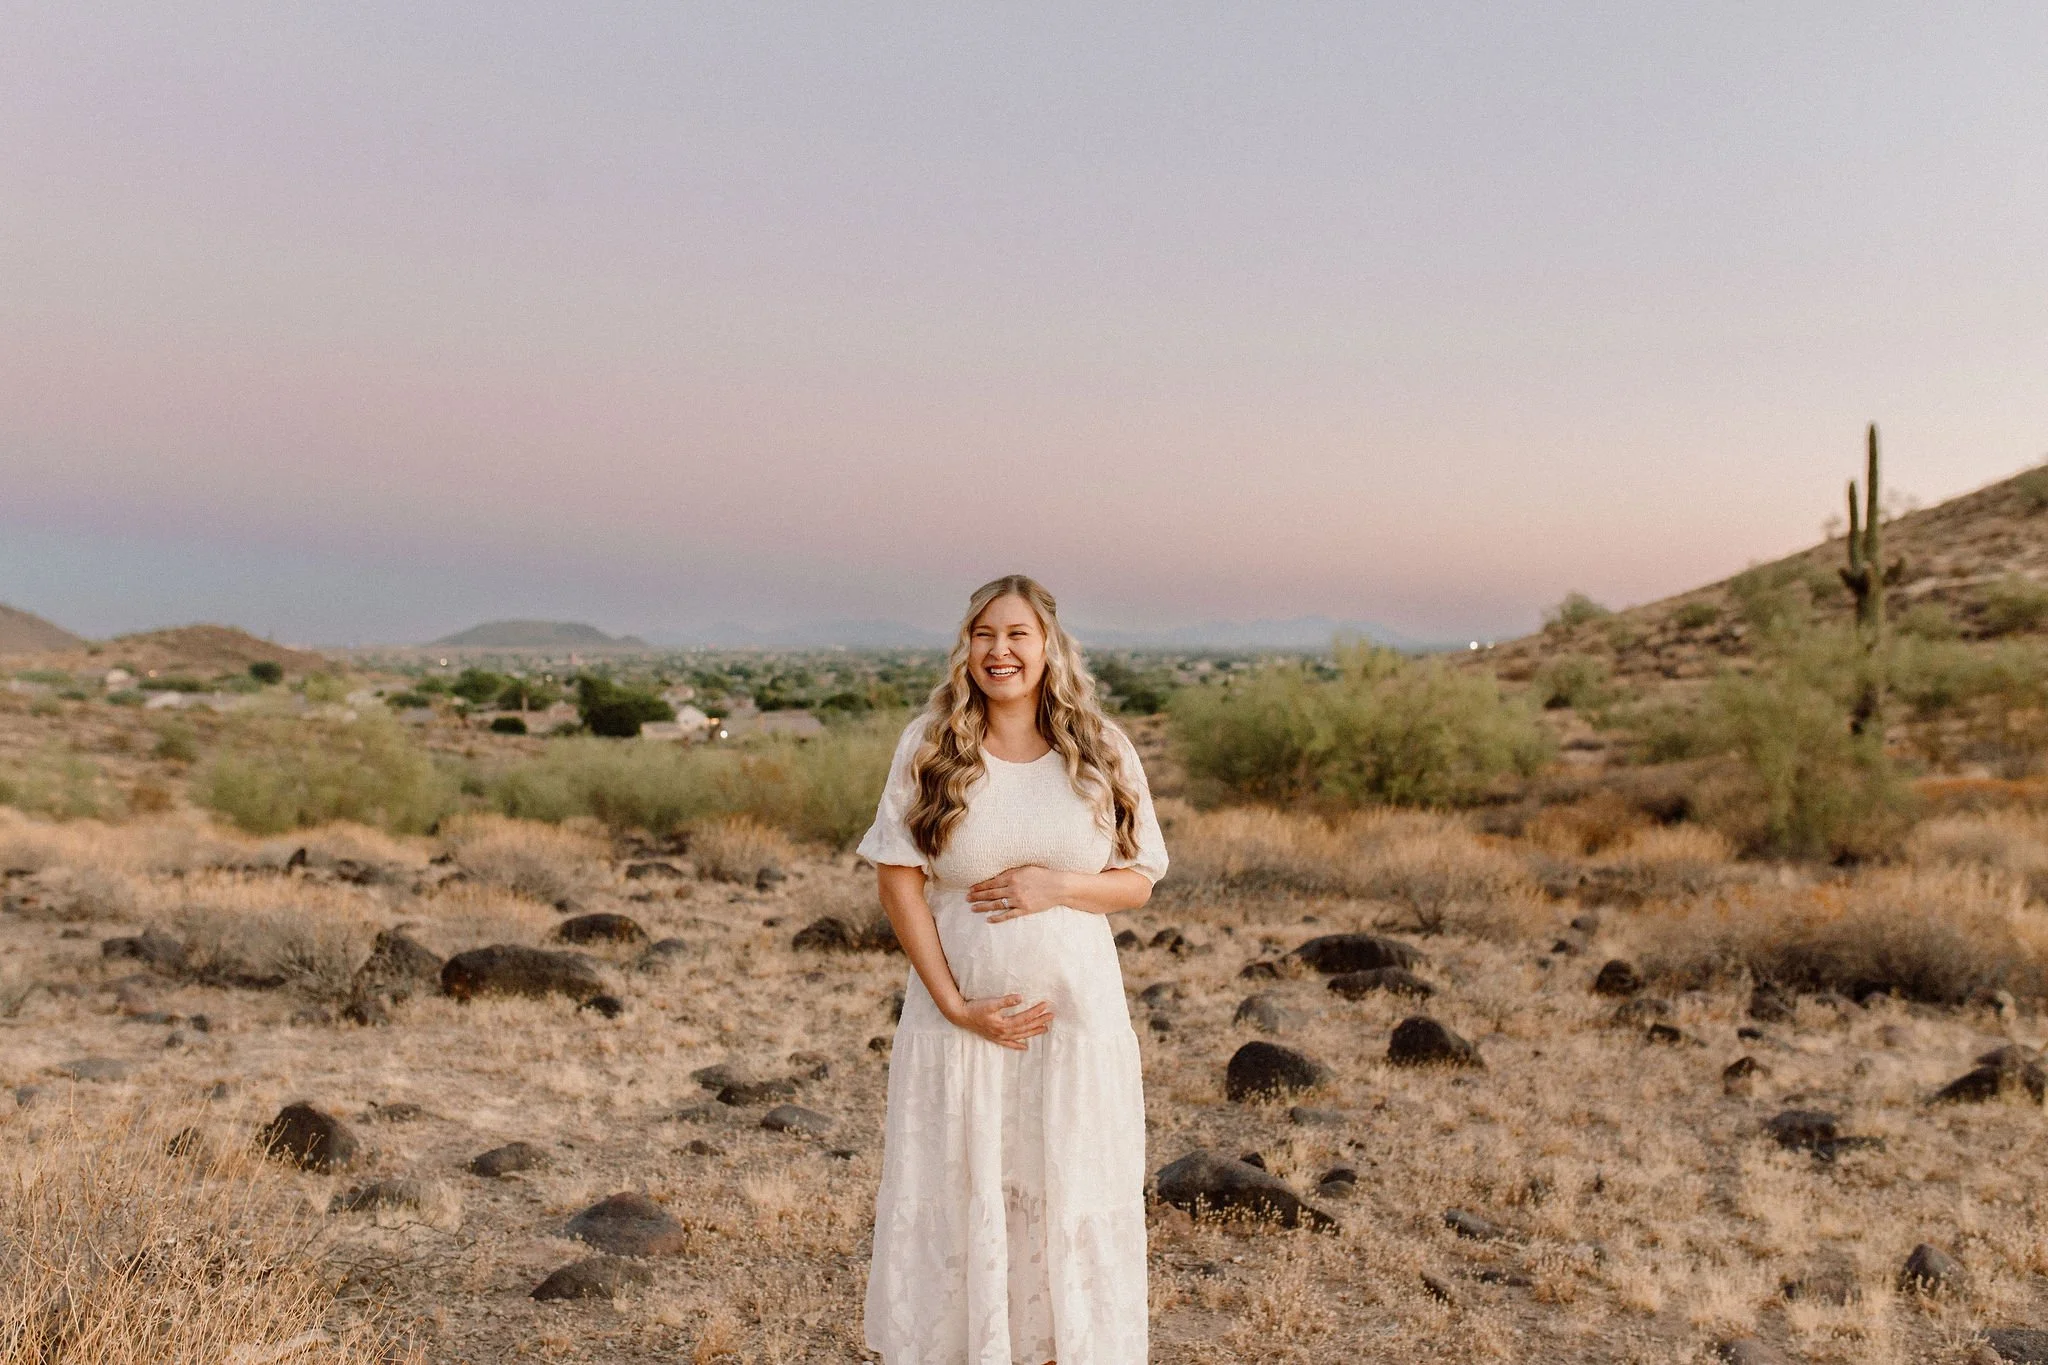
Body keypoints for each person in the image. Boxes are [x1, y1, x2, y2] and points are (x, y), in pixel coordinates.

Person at [858, 574, 1168, 1365]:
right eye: (984, 634)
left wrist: (1055, 885)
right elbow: (898, 877)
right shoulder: (932, 745)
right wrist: (957, 1005)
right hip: (960, 1026)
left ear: (1049, 646)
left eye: (1018, 633)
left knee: (1066, 1192)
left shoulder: (1100, 748)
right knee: (968, 1198)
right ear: (967, 647)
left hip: (1077, 1027)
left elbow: (1138, 878)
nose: (1001, 650)